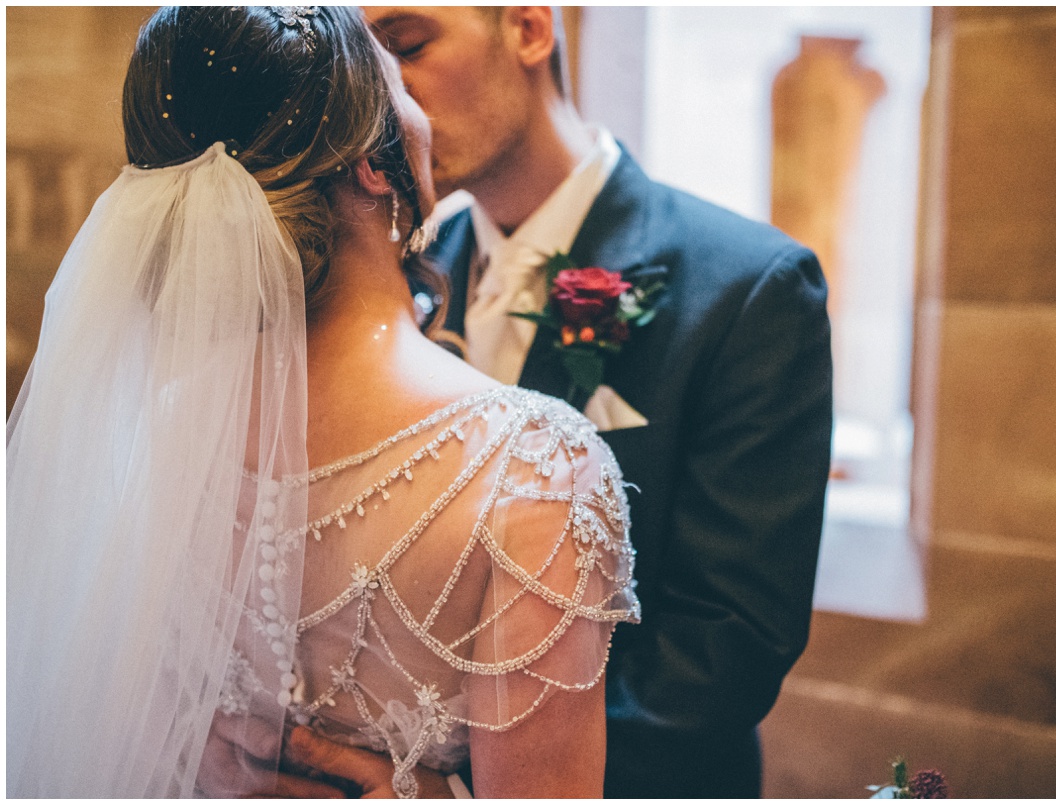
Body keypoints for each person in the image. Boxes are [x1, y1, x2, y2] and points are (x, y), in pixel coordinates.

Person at [6, 6, 638, 798]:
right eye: (394, 75)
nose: (419, 104)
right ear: (375, 163)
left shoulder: (147, 430)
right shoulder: (540, 469)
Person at [364, 6, 834, 798]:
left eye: (406, 48)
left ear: (528, 28)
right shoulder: (395, 286)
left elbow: (724, 647)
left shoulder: (751, 289)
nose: (384, 100)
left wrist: (449, 779)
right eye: (365, 69)